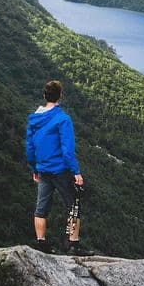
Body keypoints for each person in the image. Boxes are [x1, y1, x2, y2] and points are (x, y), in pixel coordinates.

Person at [26, 80, 91, 255]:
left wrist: (34, 168)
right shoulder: (63, 119)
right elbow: (67, 150)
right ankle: (73, 245)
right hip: (61, 170)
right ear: (60, 96)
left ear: (44, 96)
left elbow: (30, 147)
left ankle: (41, 243)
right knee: (74, 206)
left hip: (43, 170)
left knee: (41, 208)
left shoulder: (34, 119)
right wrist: (76, 172)